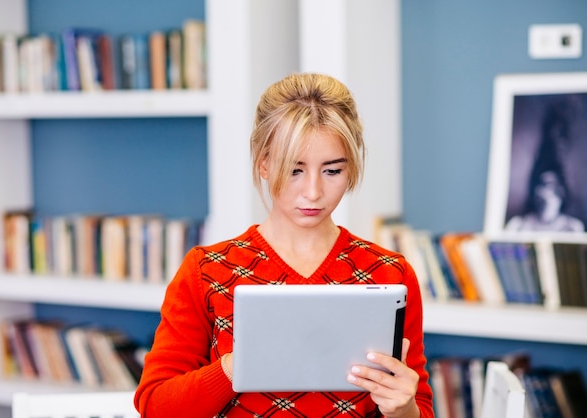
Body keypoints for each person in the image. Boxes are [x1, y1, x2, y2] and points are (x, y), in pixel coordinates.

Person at [134, 73, 434, 417]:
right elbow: (155, 407)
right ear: (263, 162)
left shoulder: (390, 274)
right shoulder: (207, 269)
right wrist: (236, 366)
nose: (313, 192)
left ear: (351, 168)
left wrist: (403, 407)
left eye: (332, 171)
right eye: (294, 170)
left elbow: (419, 407)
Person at [505, 169, 584, 232]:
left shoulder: (572, 227)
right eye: (540, 184)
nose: (541, 190)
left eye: (548, 185)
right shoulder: (518, 225)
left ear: (561, 190)